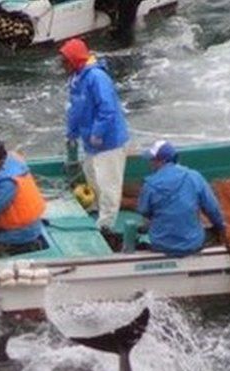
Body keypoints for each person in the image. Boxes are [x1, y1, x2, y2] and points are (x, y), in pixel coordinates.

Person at [59, 37, 130, 237]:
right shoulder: (76, 78)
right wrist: (71, 133)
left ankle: (106, 223)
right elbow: (75, 109)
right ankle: (95, 207)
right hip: (89, 141)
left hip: (108, 142)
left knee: (109, 183)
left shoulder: (97, 78)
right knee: (92, 175)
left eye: (65, 61)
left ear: (75, 60)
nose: (63, 65)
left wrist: (98, 133)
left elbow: (107, 109)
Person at [134, 140, 226, 257]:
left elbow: (144, 211)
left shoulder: (149, 184)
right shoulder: (194, 177)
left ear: (162, 161)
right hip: (192, 243)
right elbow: (212, 209)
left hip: (161, 244)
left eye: (153, 160)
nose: (150, 163)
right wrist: (221, 227)